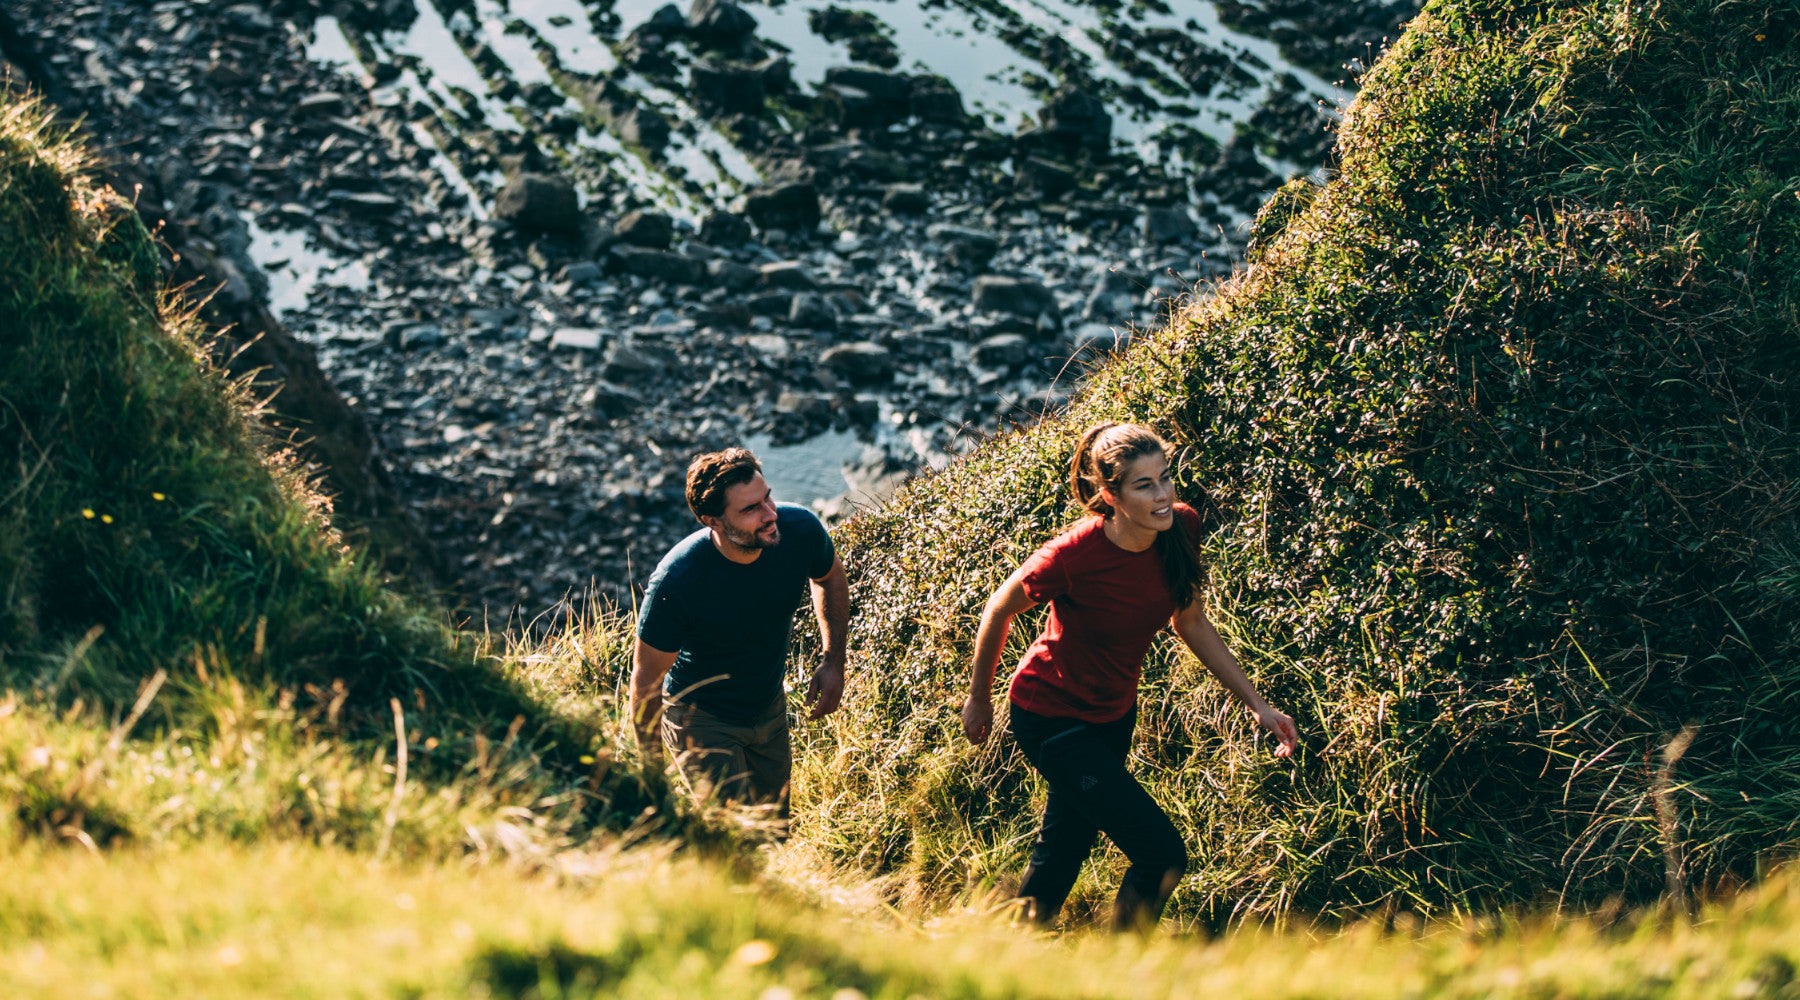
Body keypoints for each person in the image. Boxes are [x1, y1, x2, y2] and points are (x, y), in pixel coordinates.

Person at [961, 422, 1299, 930]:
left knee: (1066, 843)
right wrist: (978, 700)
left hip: (1113, 714)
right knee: (1160, 854)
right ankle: (1119, 971)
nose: (1163, 495)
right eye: (1145, 485)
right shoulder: (1073, 555)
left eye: (1165, 478)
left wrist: (1257, 705)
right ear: (1109, 494)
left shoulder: (1179, 528)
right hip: (1049, 716)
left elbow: (1190, 622)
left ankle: (1009, 958)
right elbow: (998, 609)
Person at [630, 447, 849, 816]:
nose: (770, 516)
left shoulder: (798, 530)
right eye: (750, 509)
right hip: (700, 717)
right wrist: (652, 775)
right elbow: (646, 680)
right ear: (712, 521)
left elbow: (829, 577)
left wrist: (833, 662)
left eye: (767, 498)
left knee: (775, 828)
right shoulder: (679, 581)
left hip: (767, 706)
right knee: (735, 833)